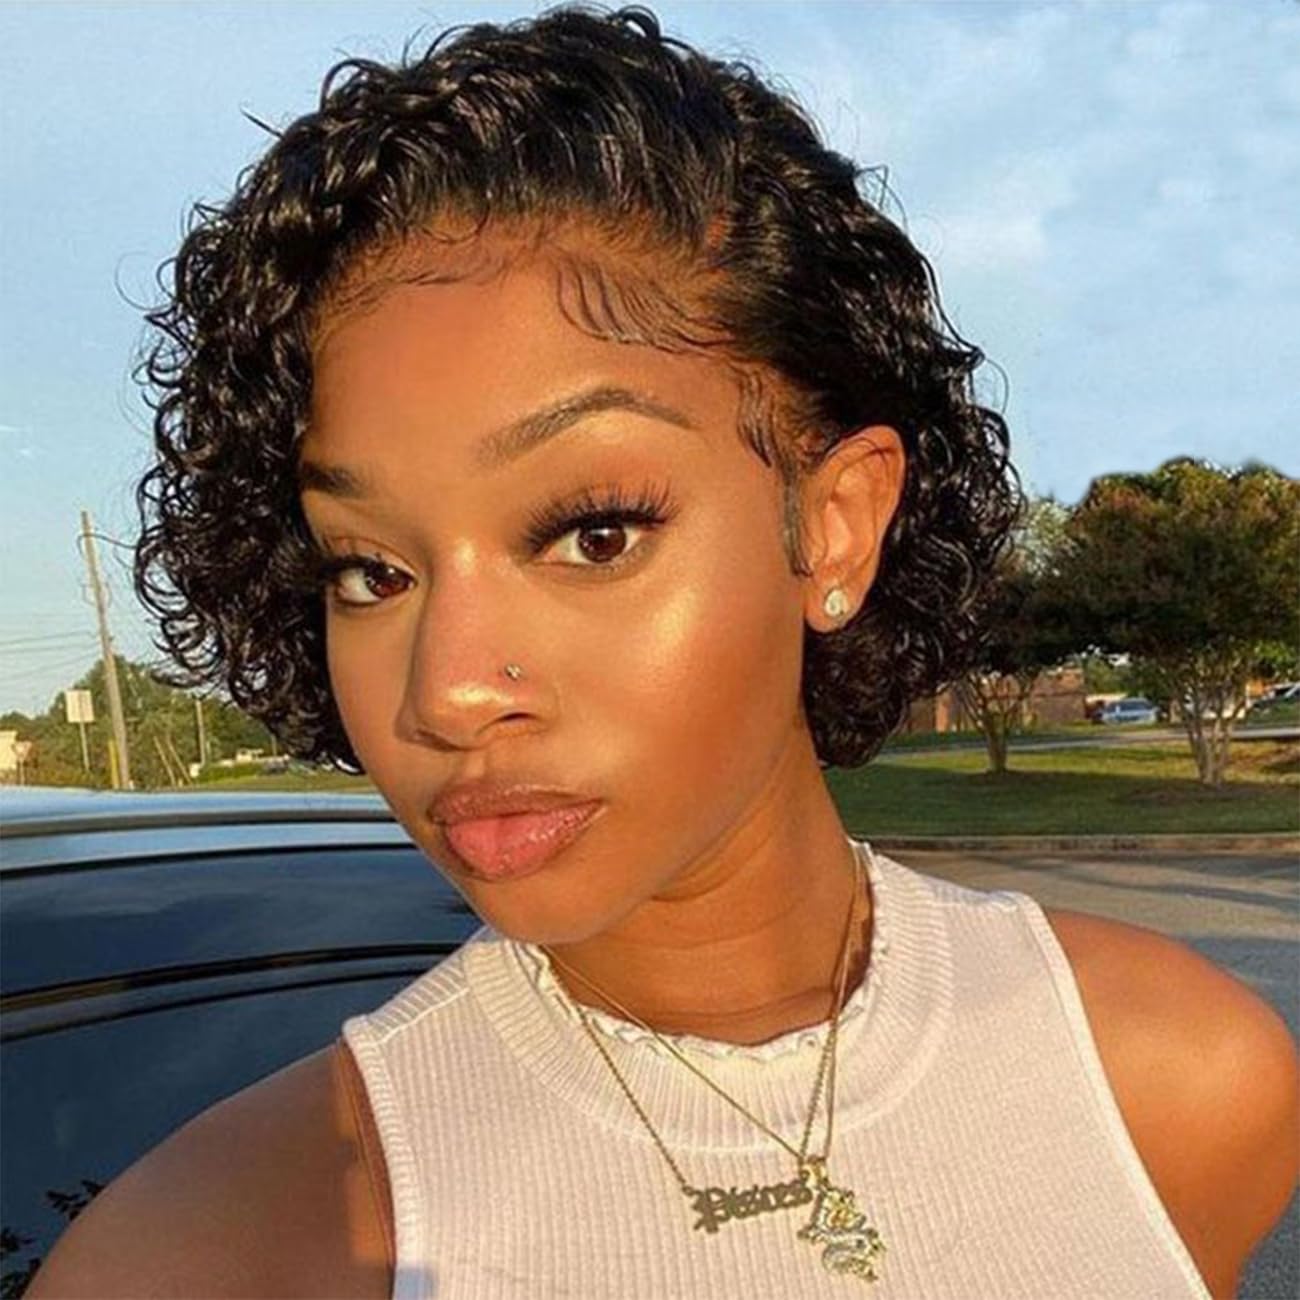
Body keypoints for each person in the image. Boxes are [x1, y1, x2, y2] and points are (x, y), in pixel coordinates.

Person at [31, 5, 1297, 1298]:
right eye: (372, 572)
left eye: (593, 534)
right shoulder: (220, 1257)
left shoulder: (1179, 1089)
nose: (447, 690)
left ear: (835, 523)